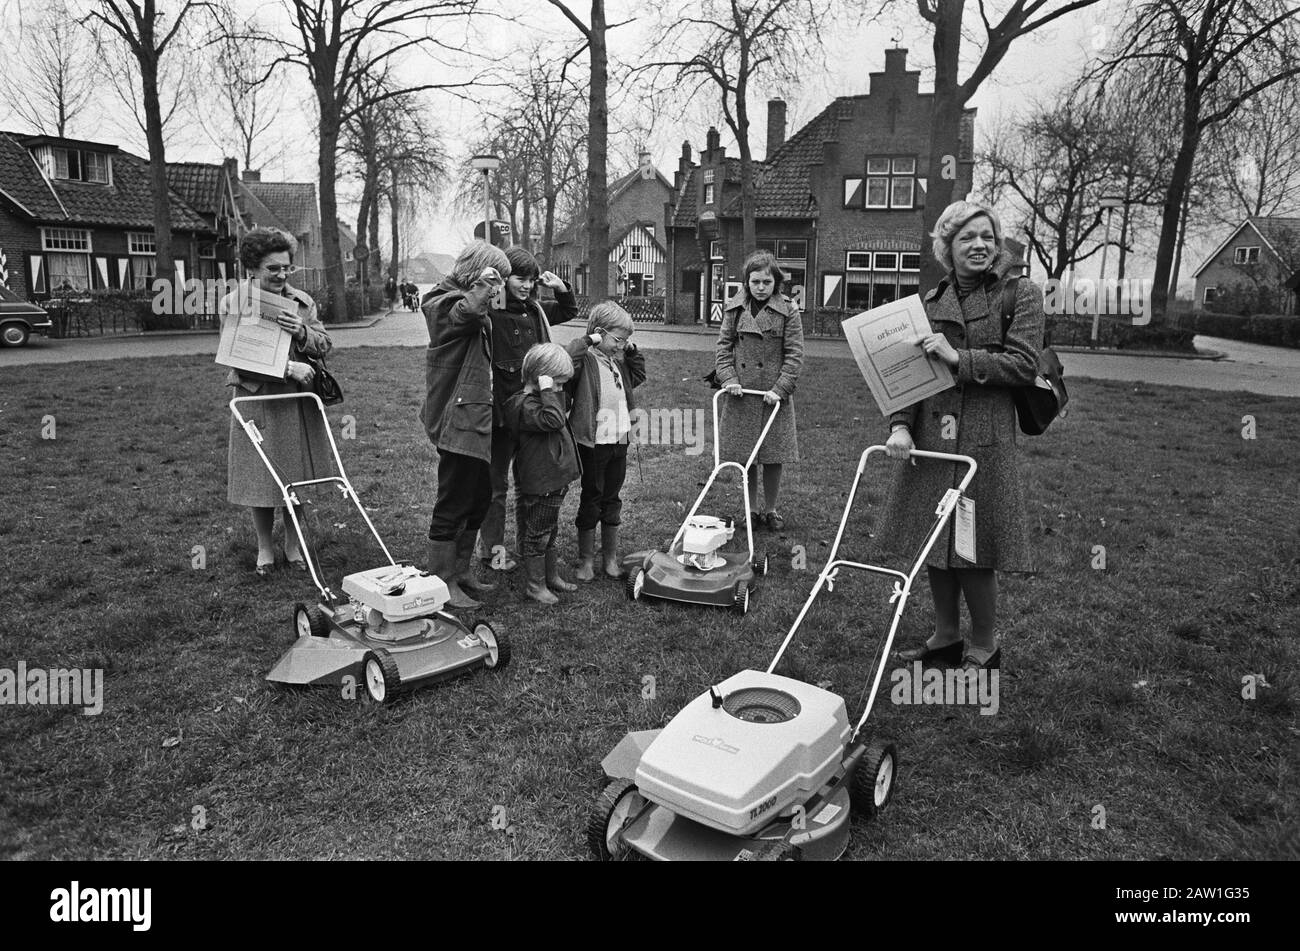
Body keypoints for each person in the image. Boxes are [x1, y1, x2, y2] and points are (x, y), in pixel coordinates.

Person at [880, 200, 1044, 672]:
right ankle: (946, 636)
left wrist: (959, 359)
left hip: (982, 441)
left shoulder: (1021, 293)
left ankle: (986, 643)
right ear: (947, 246)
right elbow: (908, 375)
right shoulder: (930, 304)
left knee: (974, 547)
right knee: (937, 541)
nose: (980, 246)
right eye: (967, 237)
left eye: (988, 237)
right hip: (933, 439)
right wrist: (899, 426)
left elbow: (1024, 364)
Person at [223, 227, 334, 577]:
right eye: (273, 269)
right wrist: (288, 366)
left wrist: (302, 331)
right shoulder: (235, 302)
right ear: (252, 269)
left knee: (294, 474)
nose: (282, 275)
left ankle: (293, 544)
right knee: (261, 478)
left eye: (287, 268)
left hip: (295, 400)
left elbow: (325, 344)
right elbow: (235, 355)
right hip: (257, 398)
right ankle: (264, 547)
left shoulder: (302, 302)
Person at [477, 246, 581, 574]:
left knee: (530, 483)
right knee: (495, 487)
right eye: (520, 278)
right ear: (503, 277)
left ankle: (528, 546)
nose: (527, 285)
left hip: (532, 415)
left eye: (532, 280)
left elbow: (567, 311)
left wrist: (561, 287)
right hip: (500, 414)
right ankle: (492, 552)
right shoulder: (491, 313)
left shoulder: (534, 309)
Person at [420, 242, 512, 609]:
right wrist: (481, 287)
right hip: (457, 418)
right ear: (478, 273)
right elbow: (466, 314)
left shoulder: (469, 299)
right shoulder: (441, 301)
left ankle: (461, 571)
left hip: (477, 416)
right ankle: (442, 581)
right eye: (497, 279)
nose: (499, 288)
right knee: (453, 500)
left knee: (478, 498)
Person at [714, 250, 804, 531]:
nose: (761, 287)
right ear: (746, 282)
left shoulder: (788, 310)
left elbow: (794, 354)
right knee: (747, 455)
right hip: (742, 394)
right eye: (755, 282)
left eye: (766, 282)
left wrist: (781, 388)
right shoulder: (734, 308)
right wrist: (729, 379)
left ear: (775, 282)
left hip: (772, 396)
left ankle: (771, 509)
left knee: (773, 455)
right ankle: (751, 509)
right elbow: (723, 348)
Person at [566, 301, 646, 581]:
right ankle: (586, 560)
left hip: (619, 442)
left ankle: (610, 558)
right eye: (618, 339)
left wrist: (631, 352)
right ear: (599, 333)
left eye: (626, 341)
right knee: (592, 498)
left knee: (612, 499)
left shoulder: (618, 362)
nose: (622, 345)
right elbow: (566, 359)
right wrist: (589, 340)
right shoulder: (586, 361)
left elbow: (638, 375)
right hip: (594, 444)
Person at [503, 343, 581, 605]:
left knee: (550, 530)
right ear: (541, 379)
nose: (559, 390)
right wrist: (548, 390)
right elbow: (554, 420)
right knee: (537, 535)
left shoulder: (540, 400)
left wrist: (549, 390)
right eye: (557, 384)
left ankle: (550, 576)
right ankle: (535, 586)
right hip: (541, 482)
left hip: (552, 481)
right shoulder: (526, 406)